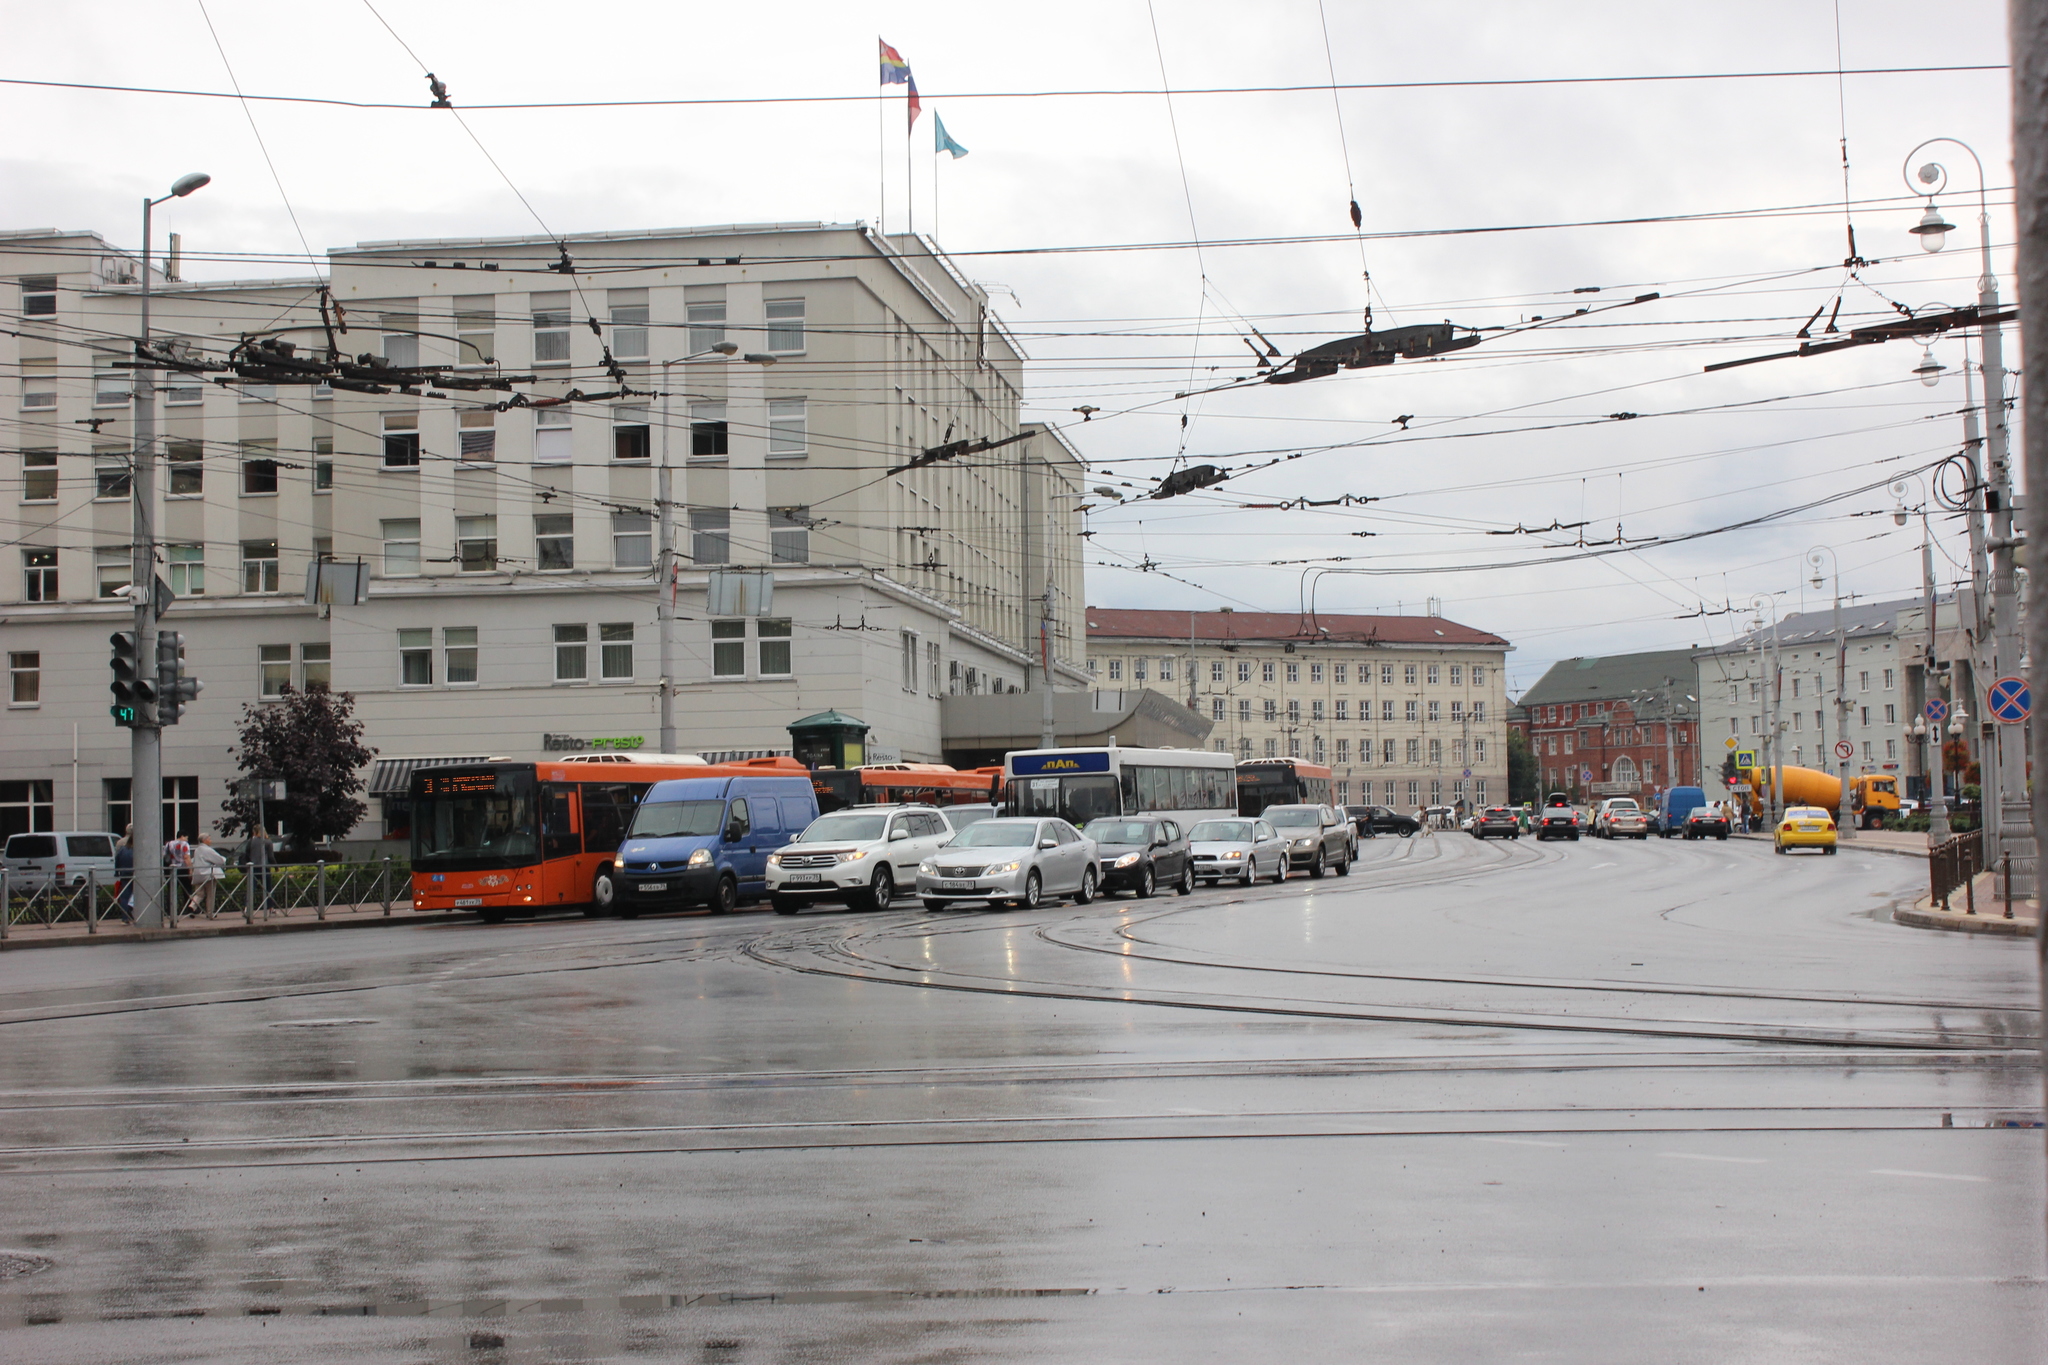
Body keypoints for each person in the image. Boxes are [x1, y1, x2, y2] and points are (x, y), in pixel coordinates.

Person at [185, 833, 227, 918]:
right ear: (204, 840)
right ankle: (210, 913)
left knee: (199, 893)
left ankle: (192, 906)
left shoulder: (197, 850)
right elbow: (218, 859)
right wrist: (224, 859)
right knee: (210, 894)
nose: (210, 841)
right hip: (209, 875)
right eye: (209, 839)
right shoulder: (208, 850)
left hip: (198, 875)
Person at [240, 826, 275, 916]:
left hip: (253, 867)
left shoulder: (251, 841)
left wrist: (249, 863)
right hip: (264, 867)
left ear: (254, 832)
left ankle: (247, 908)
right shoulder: (268, 842)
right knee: (268, 889)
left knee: (251, 888)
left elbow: (247, 854)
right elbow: (271, 857)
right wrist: (275, 866)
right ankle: (271, 908)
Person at [163, 831, 191, 921]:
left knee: (171, 890)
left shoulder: (169, 844)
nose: (187, 839)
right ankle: (188, 910)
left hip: (171, 869)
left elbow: (164, 856)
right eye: (186, 837)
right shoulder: (185, 844)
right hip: (182, 869)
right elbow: (186, 857)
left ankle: (169, 911)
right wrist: (191, 869)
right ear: (182, 836)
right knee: (187, 890)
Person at [112, 828, 136, 925]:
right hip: (136, 874)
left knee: (125, 896)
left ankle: (125, 917)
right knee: (139, 895)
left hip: (124, 874)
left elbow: (117, 861)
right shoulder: (138, 851)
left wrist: (117, 872)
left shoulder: (122, 849)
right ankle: (131, 911)